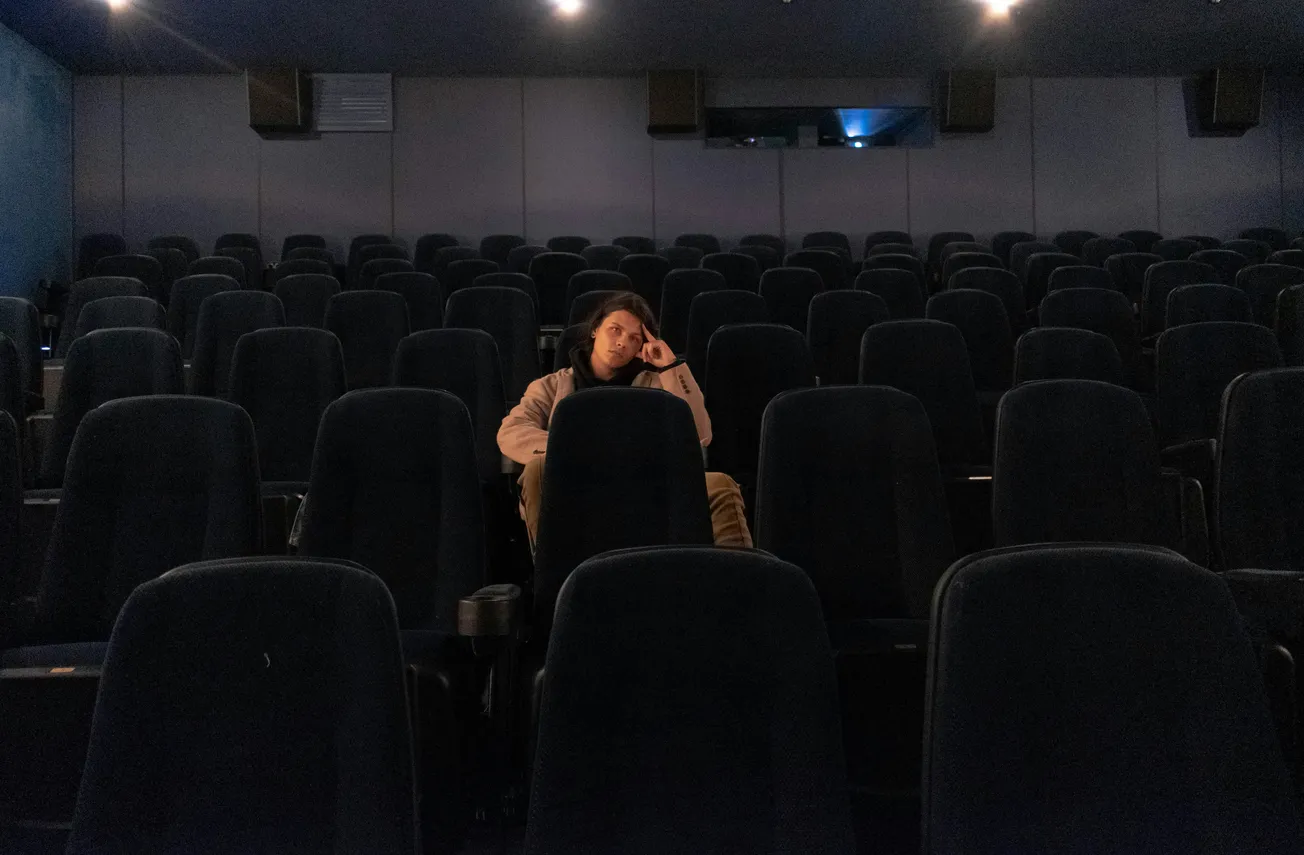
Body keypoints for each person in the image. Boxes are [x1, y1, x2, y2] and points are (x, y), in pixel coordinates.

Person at [497, 292, 752, 548]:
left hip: (647, 483)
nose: (621, 342)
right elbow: (513, 430)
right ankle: (554, 584)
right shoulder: (551, 386)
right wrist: (575, 453)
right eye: (615, 330)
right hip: (576, 484)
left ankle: (734, 579)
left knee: (721, 484)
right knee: (536, 471)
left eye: (634, 338)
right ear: (595, 329)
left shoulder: (657, 385)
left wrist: (671, 367)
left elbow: (700, 433)